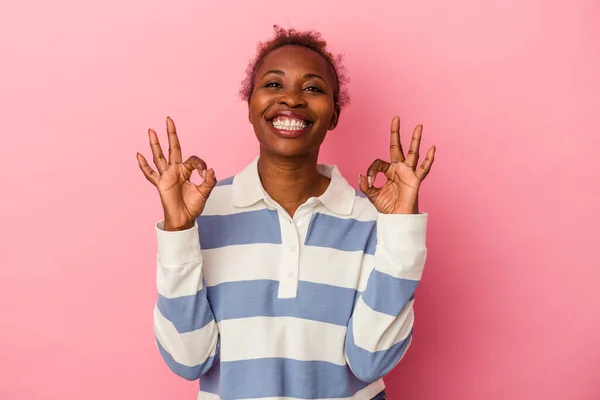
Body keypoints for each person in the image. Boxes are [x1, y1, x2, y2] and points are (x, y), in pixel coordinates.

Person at [136, 26, 435, 400]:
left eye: (312, 88)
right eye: (274, 85)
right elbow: (188, 359)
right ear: (250, 105)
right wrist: (178, 230)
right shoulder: (202, 213)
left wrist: (401, 228)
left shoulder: (372, 219)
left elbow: (370, 362)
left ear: (334, 115)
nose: (291, 99)